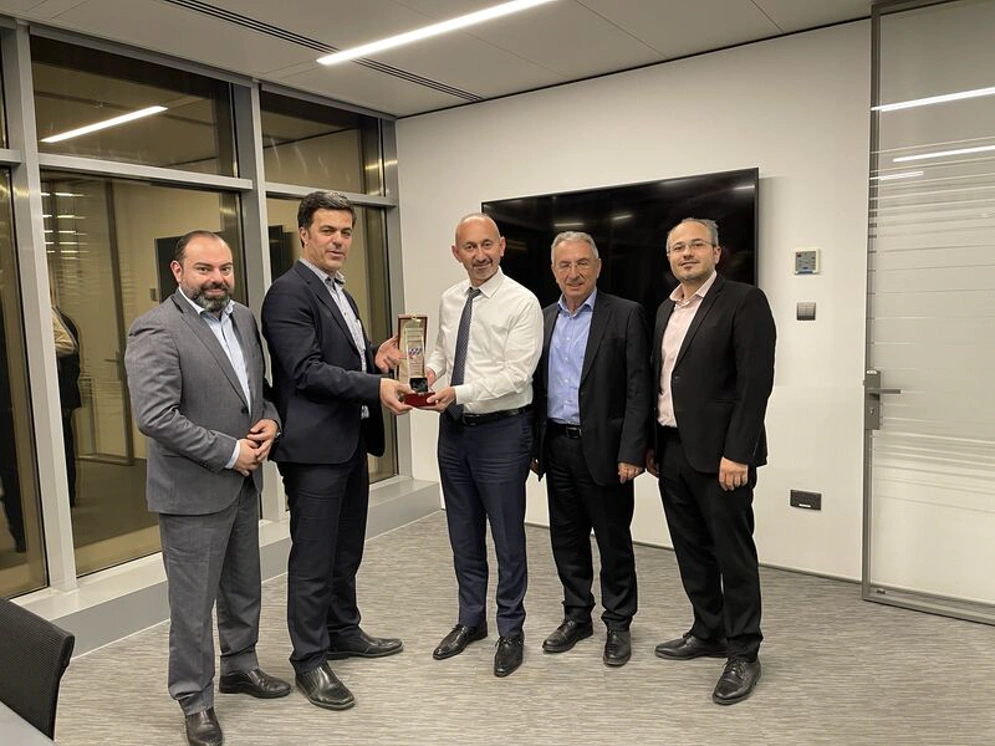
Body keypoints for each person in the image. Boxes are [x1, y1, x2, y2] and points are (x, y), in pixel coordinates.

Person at [125, 231, 291, 746]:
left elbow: (253, 391)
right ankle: (194, 699)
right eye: (204, 270)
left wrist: (270, 420)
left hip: (242, 482)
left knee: (243, 587)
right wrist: (229, 451)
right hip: (193, 490)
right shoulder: (155, 329)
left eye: (224, 268)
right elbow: (155, 416)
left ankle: (240, 665)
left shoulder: (242, 318)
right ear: (179, 273)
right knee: (193, 607)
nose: (217, 279)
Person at [261, 191, 412, 711]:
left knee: (346, 549)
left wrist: (376, 358)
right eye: (328, 231)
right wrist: (374, 387)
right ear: (304, 233)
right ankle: (309, 659)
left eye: (346, 232)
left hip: (346, 443)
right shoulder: (288, 293)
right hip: (313, 451)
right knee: (313, 558)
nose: (339, 241)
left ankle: (344, 630)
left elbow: (339, 357)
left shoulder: (338, 291)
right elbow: (305, 371)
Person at [647, 217, 776, 705]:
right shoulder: (664, 309)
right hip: (673, 449)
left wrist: (737, 452)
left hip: (724, 456)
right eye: (677, 247)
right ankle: (708, 630)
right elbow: (664, 381)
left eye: (696, 245)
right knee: (691, 549)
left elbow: (754, 383)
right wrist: (651, 443)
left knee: (732, 553)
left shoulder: (744, 301)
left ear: (717, 252)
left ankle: (744, 651)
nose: (686, 254)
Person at [424, 213, 543, 678]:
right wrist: (429, 374)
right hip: (453, 433)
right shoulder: (451, 299)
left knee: (508, 538)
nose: (479, 255)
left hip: (502, 433)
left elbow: (518, 375)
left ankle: (511, 629)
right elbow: (441, 352)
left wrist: (459, 391)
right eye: (469, 247)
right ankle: (470, 621)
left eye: (486, 245)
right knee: (462, 533)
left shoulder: (522, 302)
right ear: (457, 253)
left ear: (502, 246)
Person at [532, 231, 651, 667]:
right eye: (564, 265)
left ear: (598, 267)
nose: (573, 272)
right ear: (553, 271)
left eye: (582, 263)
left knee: (613, 541)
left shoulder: (625, 315)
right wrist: (534, 446)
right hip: (557, 446)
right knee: (566, 539)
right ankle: (576, 615)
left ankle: (618, 623)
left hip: (605, 450)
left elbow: (640, 388)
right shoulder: (543, 318)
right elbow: (534, 388)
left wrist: (633, 451)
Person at [52, 304, 81, 507]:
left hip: (61, 394)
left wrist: (34, 348)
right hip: (60, 392)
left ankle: (66, 495)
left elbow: (68, 345)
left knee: (62, 445)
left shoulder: (49, 315)